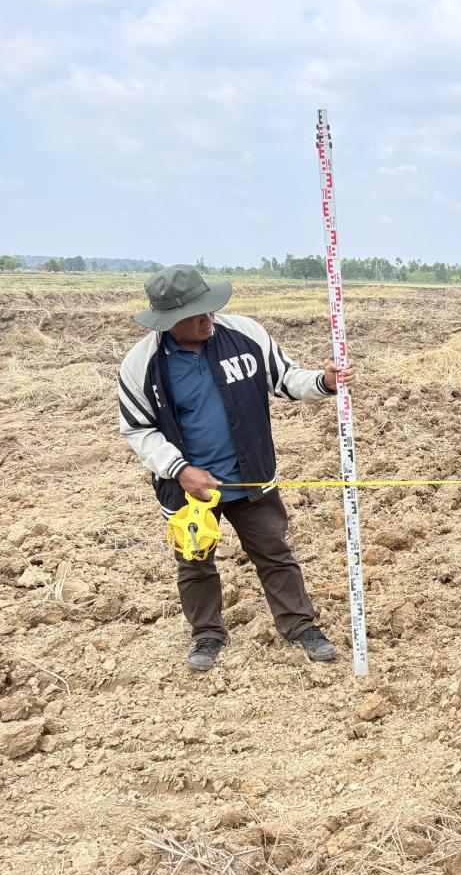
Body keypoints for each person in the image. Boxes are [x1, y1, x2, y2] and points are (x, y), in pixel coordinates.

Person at [118, 264, 357, 670]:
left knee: (274, 551)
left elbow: (285, 378)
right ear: (169, 321)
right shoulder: (141, 364)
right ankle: (207, 635)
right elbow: (138, 429)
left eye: (208, 309)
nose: (207, 319)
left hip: (250, 476)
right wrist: (181, 470)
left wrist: (324, 381)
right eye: (195, 315)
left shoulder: (245, 334)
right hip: (187, 488)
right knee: (194, 562)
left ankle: (300, 626)